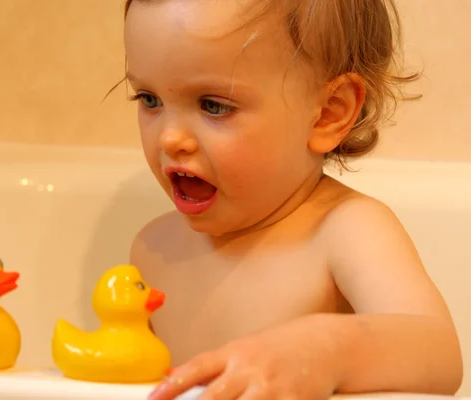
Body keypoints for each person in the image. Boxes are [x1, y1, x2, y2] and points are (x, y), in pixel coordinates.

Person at [119, 0, 464, 399]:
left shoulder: (345, 231)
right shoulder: (154, 249)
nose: (169, 138)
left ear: (327, 114)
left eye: (213, 105)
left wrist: (324, 348)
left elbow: (438, 354)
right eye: (149, 100)